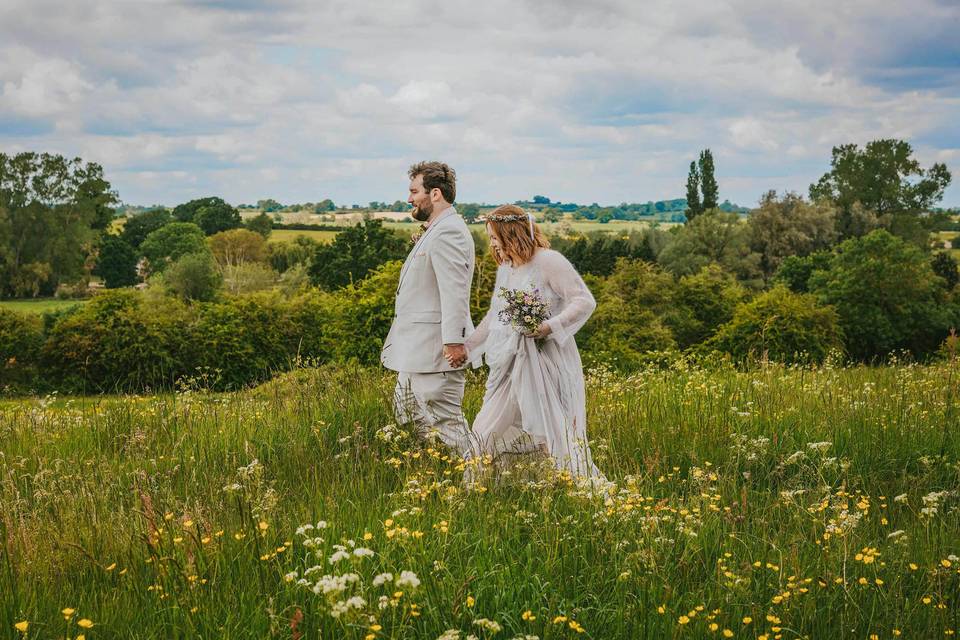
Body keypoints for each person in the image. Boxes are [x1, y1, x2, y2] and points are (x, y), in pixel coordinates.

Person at [453, 204, 601, 478]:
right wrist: (469, 347)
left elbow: (584, 301)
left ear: (512, 234)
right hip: (510, 363)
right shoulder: (508, 268)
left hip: (545, 361)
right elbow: (496, 314)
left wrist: (548, 326)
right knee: (484, 430)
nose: (493, 244)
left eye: (495, 237)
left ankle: (573, 488)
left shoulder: (549, 261)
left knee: (551, 431)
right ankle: (474, 489)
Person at [380, 161, 475, 456]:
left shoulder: (450, 232)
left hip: (437, 351)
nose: (409, 199)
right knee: (408, 417)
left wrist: (454, 341)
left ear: (435, 194)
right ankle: (432, 473)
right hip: (415, 351)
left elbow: (454, 292)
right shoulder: (437, 230)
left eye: (413, 191)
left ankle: (476, 481)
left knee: (448, 424)